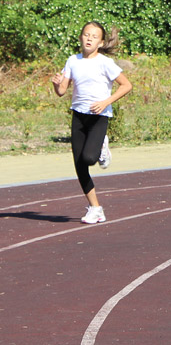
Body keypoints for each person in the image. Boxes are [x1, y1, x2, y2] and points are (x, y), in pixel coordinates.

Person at [50, 21, 133, 224]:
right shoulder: (73, 60)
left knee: (88, 157)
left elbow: (126, 85)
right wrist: (56, 84)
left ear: (100, 42)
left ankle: (102, 145)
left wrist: (105, 102)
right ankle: (96, 208)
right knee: (80, 166)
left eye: (94, 36)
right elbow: (62, 91)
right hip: (78, 116)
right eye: (86, 35)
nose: (89, 38)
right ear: (81, 38)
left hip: (99, 116)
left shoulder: (104, 63)